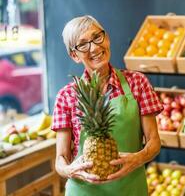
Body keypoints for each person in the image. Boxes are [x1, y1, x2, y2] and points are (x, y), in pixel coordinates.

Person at [51, 15, 163, 195]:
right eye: (83, 44)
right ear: (74, 55)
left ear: (107, 38)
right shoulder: (66, 96)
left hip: (130, 188)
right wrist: (71, 170)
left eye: (97, 37)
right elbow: (61, 160)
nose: (94, 47)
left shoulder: (137, 83)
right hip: (84, 191)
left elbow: (154, 141)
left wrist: (137, 158)